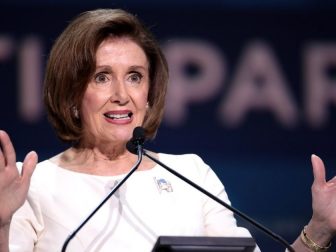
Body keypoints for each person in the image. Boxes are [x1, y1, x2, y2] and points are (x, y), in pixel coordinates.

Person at [0, 8, 334, 252]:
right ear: (72, 93)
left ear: (149, 94)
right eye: (101, 76)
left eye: (134, 76)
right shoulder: (30, 185)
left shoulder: (190, 174)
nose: (121, 94)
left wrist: (319, 229)